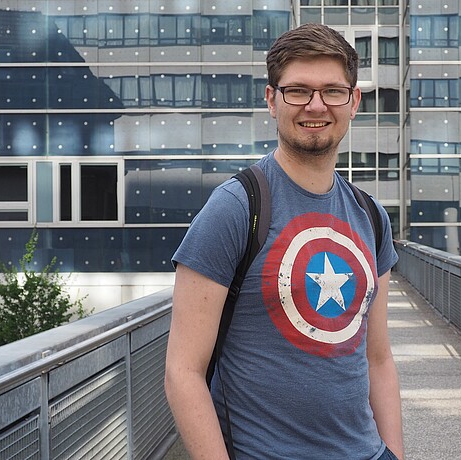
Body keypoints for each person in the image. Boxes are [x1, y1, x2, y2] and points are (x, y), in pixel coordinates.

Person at [165, 23, 404, 460]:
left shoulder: (371, 216)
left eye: (333, 91)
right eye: (298, 90)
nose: (316, 105)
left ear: (354, 102)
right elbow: (183, 371)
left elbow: (379, 359)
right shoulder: (235, 208)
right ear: (272, 99)